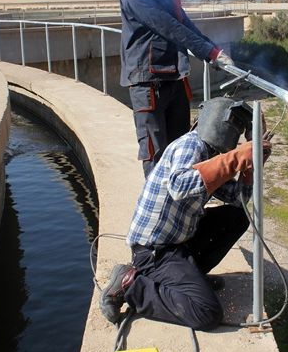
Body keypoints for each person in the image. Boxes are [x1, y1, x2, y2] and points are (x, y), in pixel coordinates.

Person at [100, 97, 270, 331]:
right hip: (154, 251)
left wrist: (250, 168)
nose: (235, 133)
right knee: (207, 313)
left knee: (236, 218)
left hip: (179, 241)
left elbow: (236, 198)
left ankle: (192, 277)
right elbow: (179, 186)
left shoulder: (209, 153)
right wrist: (235, 158)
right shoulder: (191, 146)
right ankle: (131, 285)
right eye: (234, 125)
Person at [120, 0, 234, 176]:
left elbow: (184, 23)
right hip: (147, 83)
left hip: (172, 78)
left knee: (181, 149)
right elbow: (170, 28)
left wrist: (213, 49)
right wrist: (209, 53)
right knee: (156, 154)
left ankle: (179, 208)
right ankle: (158, 210)